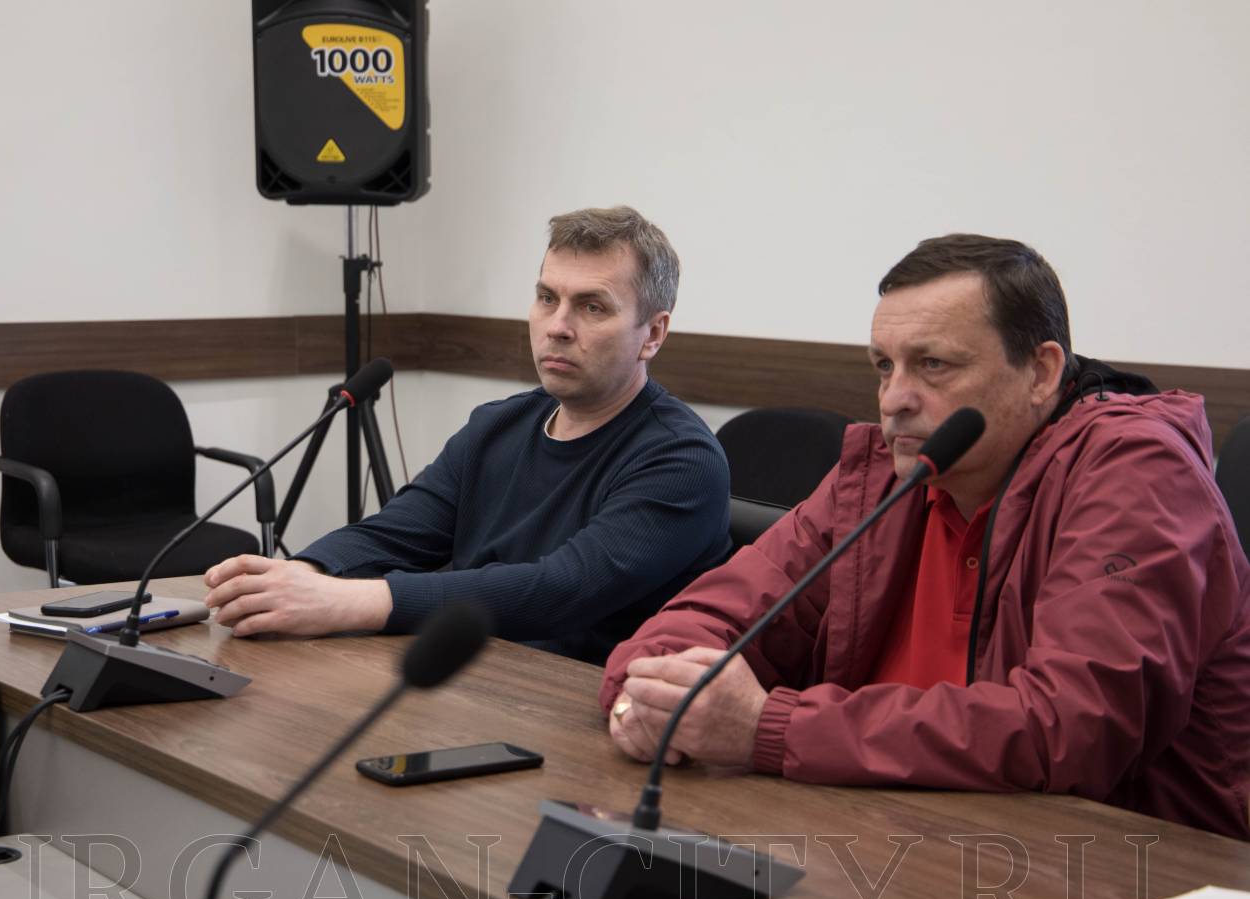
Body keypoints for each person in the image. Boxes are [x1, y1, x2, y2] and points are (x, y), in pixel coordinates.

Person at [602, 234, 1250, 839]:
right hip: (895, 833)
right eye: (885, 366)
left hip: (1125, 865)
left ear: (1041, 372)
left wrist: (770, 728)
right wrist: (649, 697)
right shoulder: (886, 477)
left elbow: (1074, 729)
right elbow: (706, 617)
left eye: (933, 365)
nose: (894, 399)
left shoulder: (1135, 473)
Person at [205, 206, 731, 665]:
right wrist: (297, 577)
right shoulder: (498, 425)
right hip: (471, 675)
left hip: (589, 708)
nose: (558, 326)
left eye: (592, 307)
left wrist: (347, 601)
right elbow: (396, 532)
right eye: (547, 298)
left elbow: (561, 590)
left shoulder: (682, 459)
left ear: (652, 334)